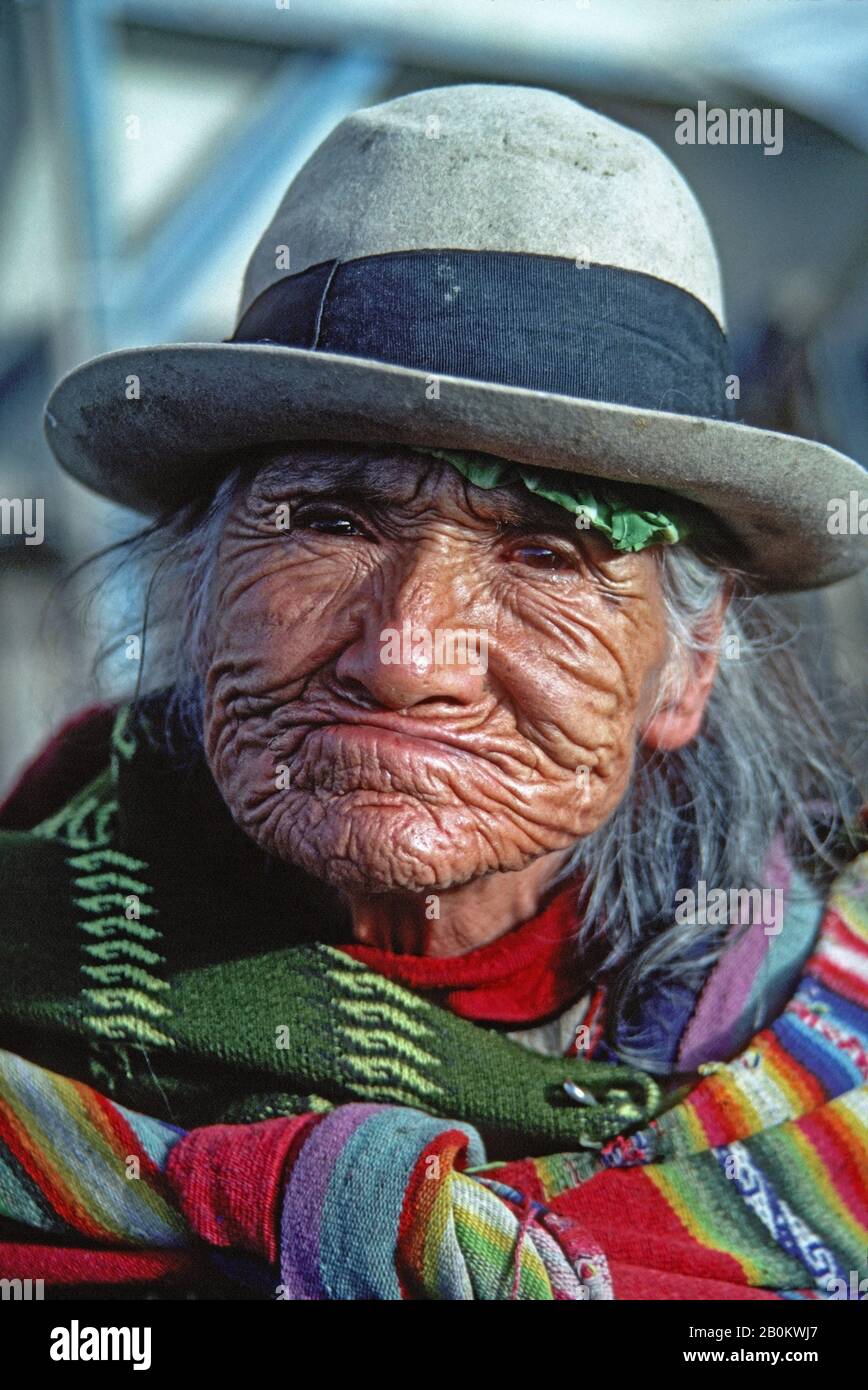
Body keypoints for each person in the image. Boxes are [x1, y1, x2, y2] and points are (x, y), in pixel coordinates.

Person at [1, 84, 866, 1301]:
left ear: (688, 663)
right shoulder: (25, 988)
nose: (406, 654)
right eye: (331, 521)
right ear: (195, 591)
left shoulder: (822, 1047)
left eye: (548, 555)